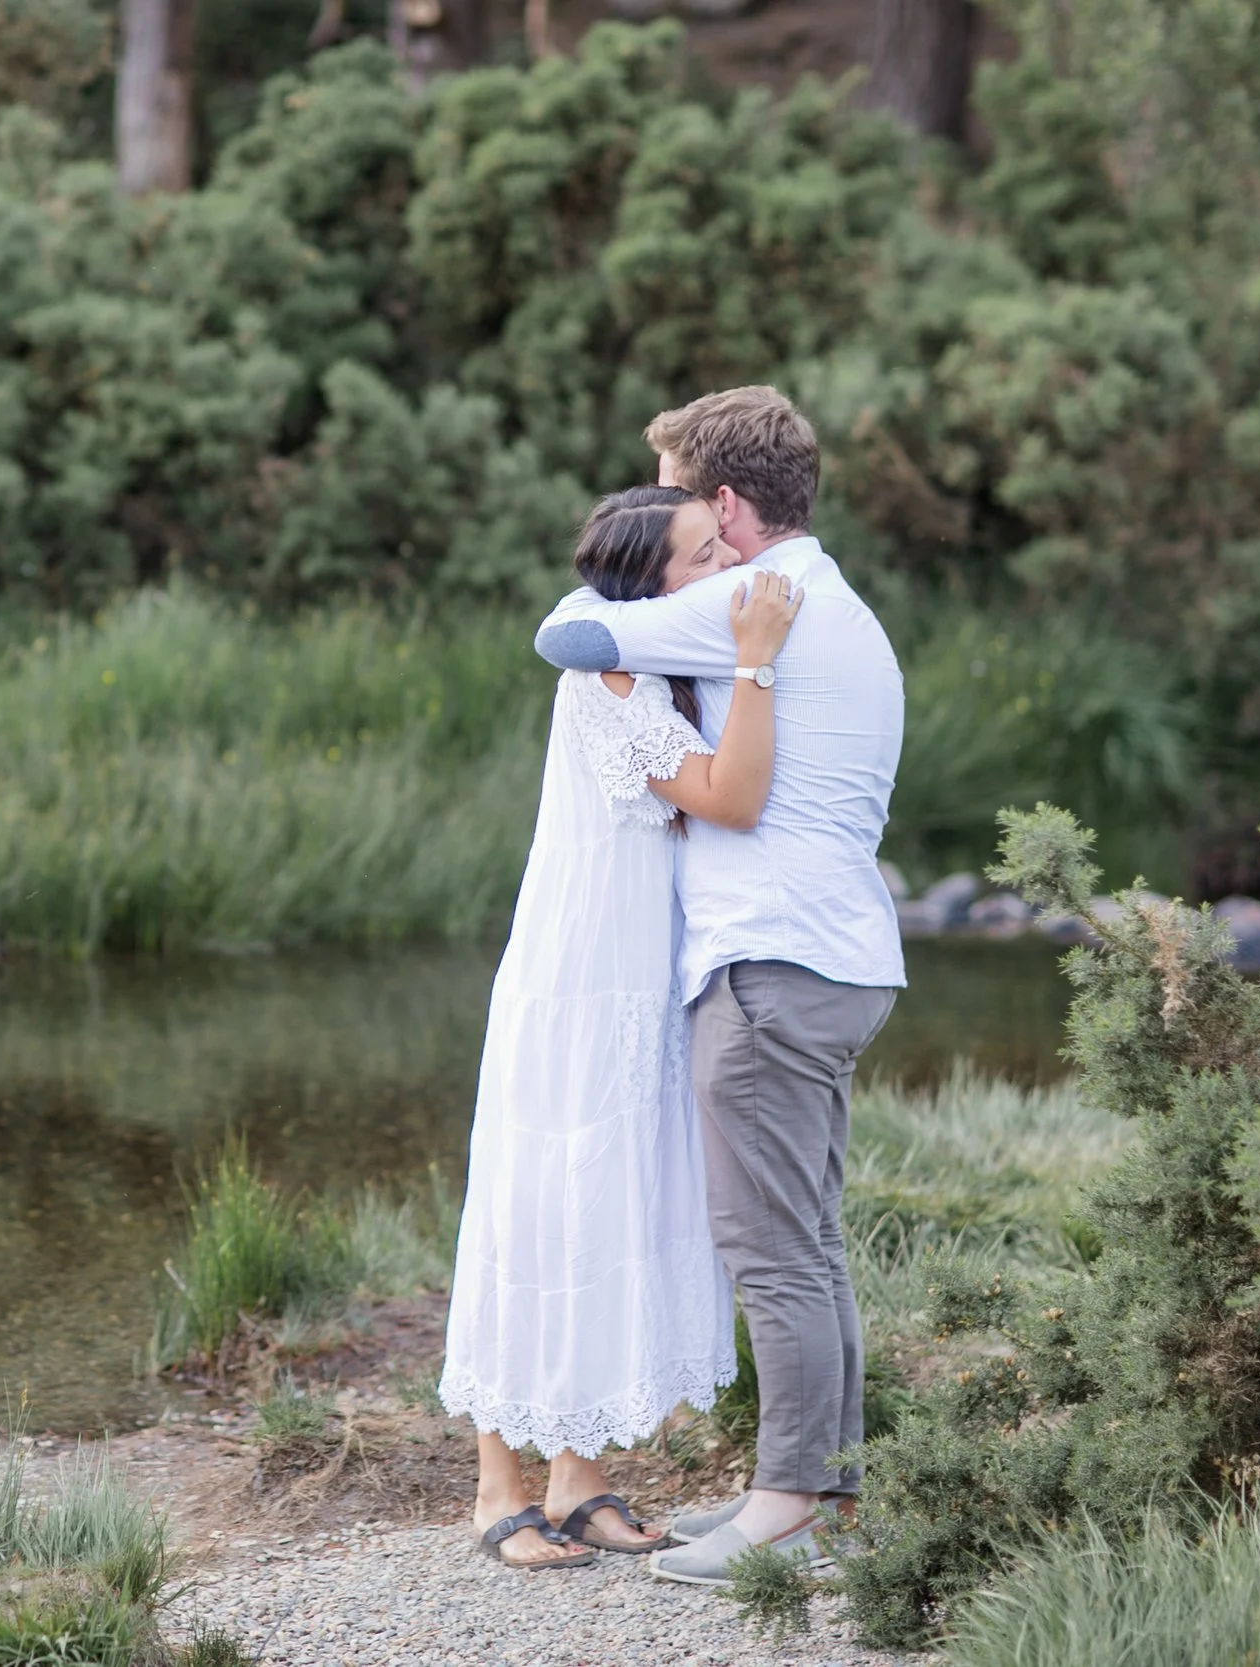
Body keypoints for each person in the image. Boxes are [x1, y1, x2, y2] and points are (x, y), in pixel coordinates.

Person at [531, 387, 905, 1587]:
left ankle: (785, 1505)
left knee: (773, 1251)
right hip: (842, 957)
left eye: (688, 497)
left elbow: (568, 633)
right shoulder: (841, 604)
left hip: (769, 970)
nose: (683, 522)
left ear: (729, 506)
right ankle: (827, 1501)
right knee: (809, 1239)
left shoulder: (745, 607)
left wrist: (657, 580)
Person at [442, 485, 805, 1570]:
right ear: (648, 589)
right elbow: (727, 797)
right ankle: (495, 1484)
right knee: (539, 1206)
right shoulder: (608, 674)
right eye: (698, 558)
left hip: (640, 984)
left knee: (612, 1210)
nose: (721, 570)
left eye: (718, 546)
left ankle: (580, 1473)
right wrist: (757, 658)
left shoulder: (649, 663)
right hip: (575, 982)